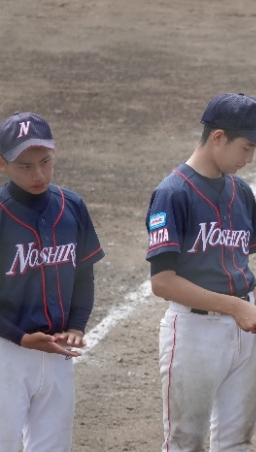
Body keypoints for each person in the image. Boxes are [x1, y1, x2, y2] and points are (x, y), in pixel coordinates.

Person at [145, 93, 256, 451]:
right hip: (195, 335)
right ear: (218, 137)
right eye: (247, 147)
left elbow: (239, 266)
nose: (249, 159)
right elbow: (162, 282)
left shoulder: (241, 192)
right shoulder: (173, 193)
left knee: (237, 442)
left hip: (242, 333)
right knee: (186, 442)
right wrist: (236, 306)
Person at [0, 112, 105, 451]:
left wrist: (76, 326)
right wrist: (20, 337)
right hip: (6, 351)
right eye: (25, 166)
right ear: (3, 165)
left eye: (45, 162)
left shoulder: (72, 206)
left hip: (58, 351)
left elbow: (84, 275)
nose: (39, 174)